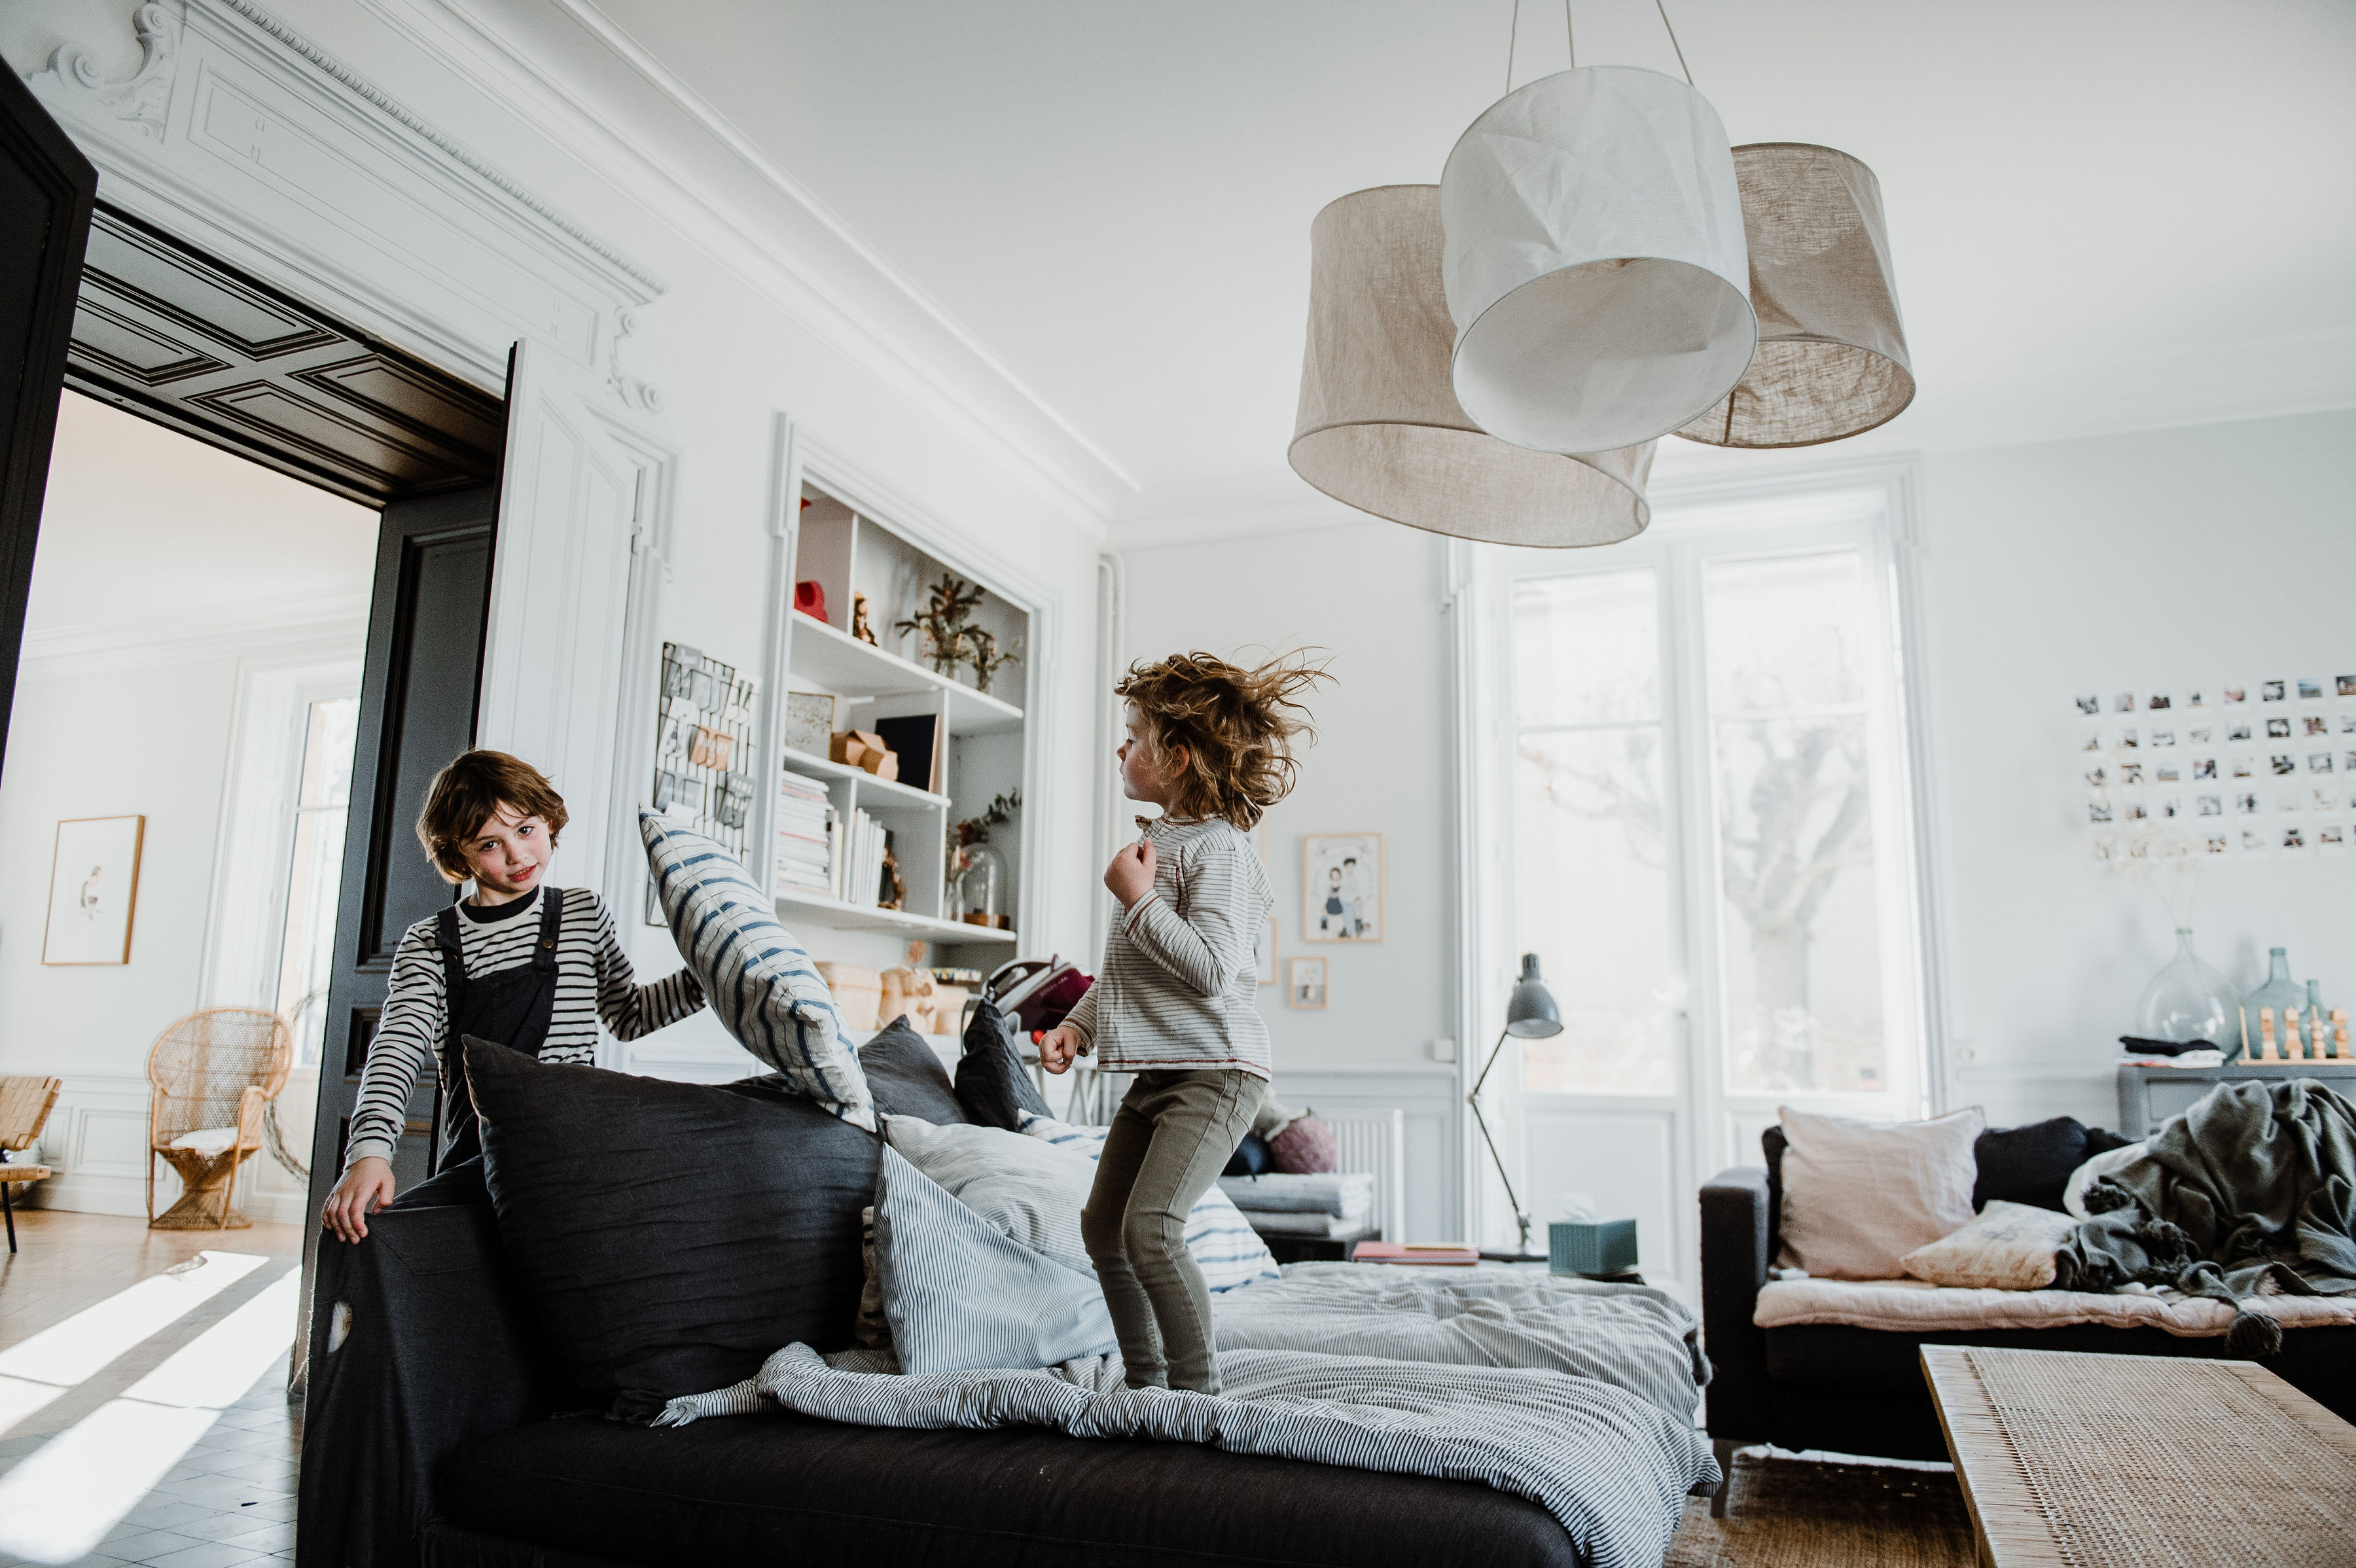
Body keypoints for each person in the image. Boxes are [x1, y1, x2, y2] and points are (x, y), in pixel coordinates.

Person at [1039, 650, 1327, 1393]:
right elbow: (1134, 976)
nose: (1121, 748)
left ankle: (1198, 1396)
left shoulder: (1223, 850)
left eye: (1133, 735)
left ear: (1178, 757)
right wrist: (1080, 1023)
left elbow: (1209, 969)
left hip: (1217, 1073)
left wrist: (1138, 898)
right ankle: (1145, 1385)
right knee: (1104, 1227)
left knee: (1151, 1228)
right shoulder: (1155, 844)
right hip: (1160, 1071)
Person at [320, 750, 706, 1242]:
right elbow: (396, 1049)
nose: (518, 855)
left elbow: (628, 1015)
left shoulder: (582, 914)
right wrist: (369, 1154)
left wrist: (708, 979)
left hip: (578, 1152)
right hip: (479, 1163)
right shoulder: (430, 943)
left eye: (525, 830)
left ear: (547, 819)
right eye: (489, 844)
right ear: (459, 854)